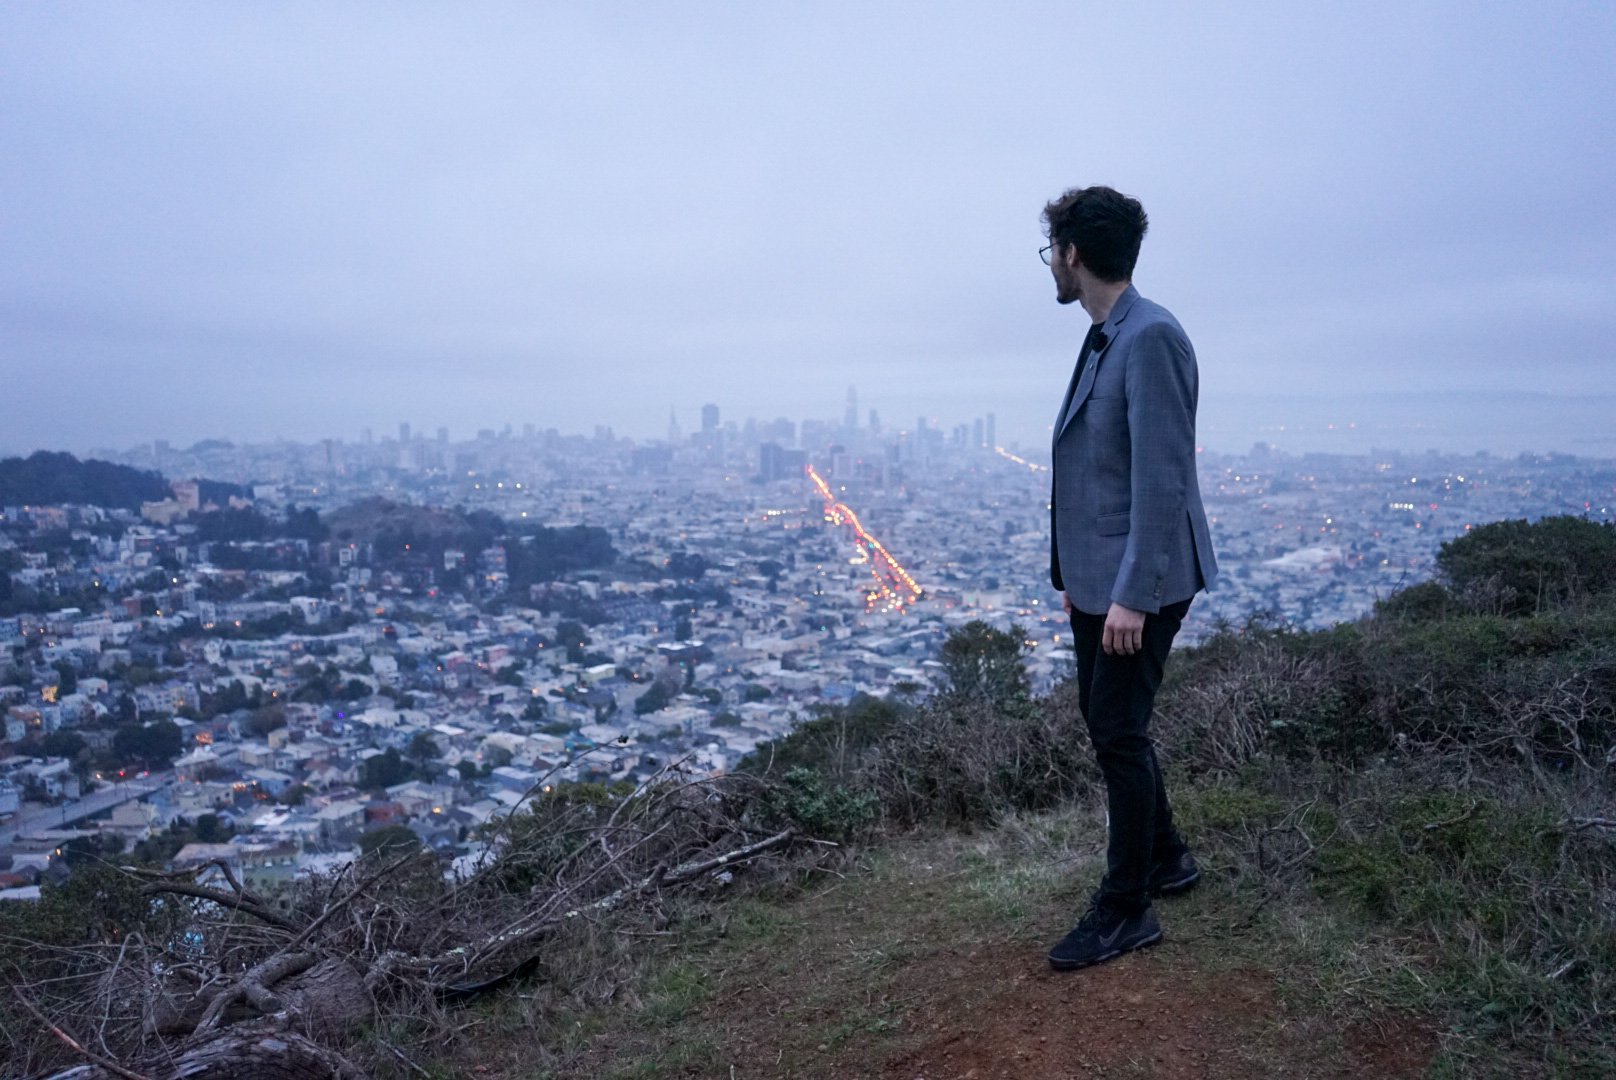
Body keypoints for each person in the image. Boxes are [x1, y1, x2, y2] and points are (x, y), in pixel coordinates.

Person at [1040, 185, 1218, 971]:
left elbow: (1162, 478)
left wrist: (1132, 598)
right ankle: (1167, 856)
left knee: (1115, 728)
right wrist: (1080, 577)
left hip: (1139, 579)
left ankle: (1126, 909)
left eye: (1052, 250)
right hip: (1100, 573)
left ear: (1073, 254)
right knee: (1108, 718)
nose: (1050, 264)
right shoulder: (1109, 333)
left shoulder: (1150, 338)